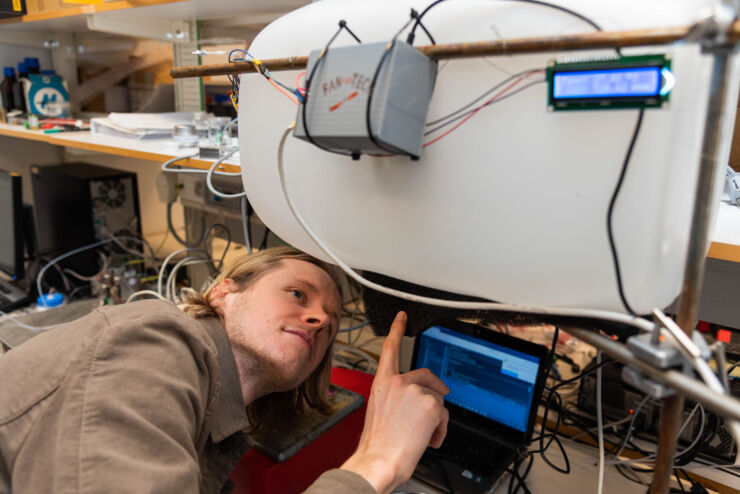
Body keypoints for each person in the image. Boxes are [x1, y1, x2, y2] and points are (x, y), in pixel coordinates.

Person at [0, 247, 449, 494]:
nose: (319, 319)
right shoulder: (153, 340)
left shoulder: (215, 421)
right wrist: (376, 462)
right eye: (297, 294)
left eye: (330, 326)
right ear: (223, 294)